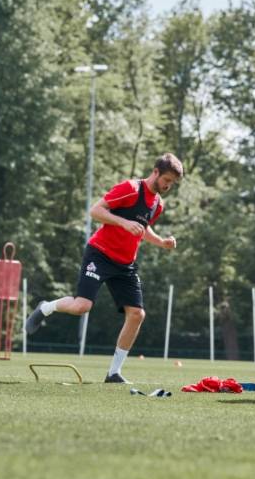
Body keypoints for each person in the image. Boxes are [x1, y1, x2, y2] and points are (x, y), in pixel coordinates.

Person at [25, 153, 183, 383]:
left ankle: (114, 373)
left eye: (172, 183)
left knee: (137, 314)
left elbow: (143, 229)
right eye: (167, 179)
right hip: (100, 254)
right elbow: (96, 210)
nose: (168, 185)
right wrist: (123, 222)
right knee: (82, 306)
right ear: (156, 172)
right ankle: (46, 308)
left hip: (126, 264)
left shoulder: (158, 204)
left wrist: (161, 242)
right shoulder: (130, 188)